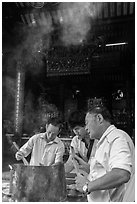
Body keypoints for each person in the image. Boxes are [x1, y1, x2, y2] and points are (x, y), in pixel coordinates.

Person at [75, 104, 135, 202]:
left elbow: (122, 173)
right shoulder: (103, 142)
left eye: (87, 123)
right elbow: (103, 172)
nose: (85, 128)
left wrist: (87, 186)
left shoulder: (116, 138)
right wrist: (87, 178)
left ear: (99, 118)